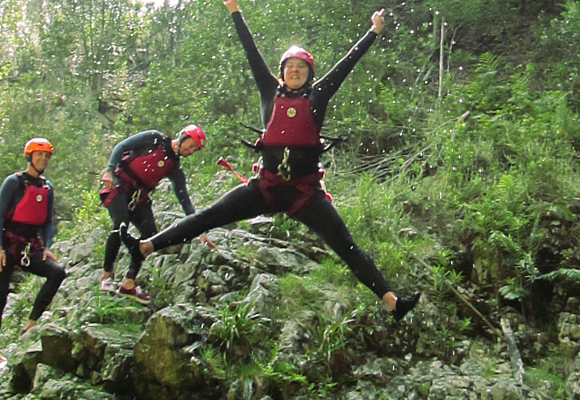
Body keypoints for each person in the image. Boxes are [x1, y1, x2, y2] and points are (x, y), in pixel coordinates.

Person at [120, 0, 420, 320]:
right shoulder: (269, 91)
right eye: (289, 67)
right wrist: (234, 10)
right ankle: (146, 247)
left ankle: (392, 302)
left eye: (301, 68)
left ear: (309, 75)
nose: (294, 71)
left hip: (305, 194)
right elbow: (251, 50)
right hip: (265, 187)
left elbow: (347, 64)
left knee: (345, 245)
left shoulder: (318, 96)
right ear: (281, 73)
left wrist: (373, 32)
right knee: (207, 217)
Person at [99, 125, 213, 303]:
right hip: (118, 183)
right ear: (183, 137)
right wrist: (109, 169)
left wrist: (200, 228)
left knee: (150, 232)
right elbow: (121, 147)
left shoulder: (175, 169)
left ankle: (128, 282)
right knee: (121, 223)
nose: (191, 151)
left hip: (138, 196)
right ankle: (106, 276)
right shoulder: (154, 139)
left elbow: (185, 202)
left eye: (194, 149)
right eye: (190, 145)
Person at [0, 138, 66, 374]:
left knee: (57, 273)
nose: (43, 160)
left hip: (31, 245)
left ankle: (31, 322)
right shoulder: (13, 182)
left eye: (47, 156)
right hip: (9, 244)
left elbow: (48, 222)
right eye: (39, 155)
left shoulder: (47, 187)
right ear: (29, 157)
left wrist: (48, 246)